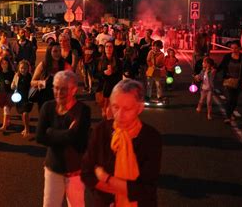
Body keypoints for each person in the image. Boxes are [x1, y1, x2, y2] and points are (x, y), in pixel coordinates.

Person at [81, 79, 162, 207]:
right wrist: (120, 191)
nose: (119, 115)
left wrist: (106, 178)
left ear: (140, 108)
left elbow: (145, 189)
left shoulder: (151, 138)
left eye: (127, 109)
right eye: (115, 107)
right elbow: (86, 173)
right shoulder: (101, 130)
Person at [36, 70, 91, 207]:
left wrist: (51, 132)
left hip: (75, 171)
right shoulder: (47, 107)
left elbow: (79, 141)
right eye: (56, 88)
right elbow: (40, 137)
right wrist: (68, 133)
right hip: (53, 168)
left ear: (74, 90)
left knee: (76, 204)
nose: (59, 93)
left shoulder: (83, 110)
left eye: (64, 89)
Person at [31, 42, 71, 112]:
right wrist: (43, 83)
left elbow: (71, 82)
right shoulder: (43, 65)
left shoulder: (65, 65)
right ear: (49, 52)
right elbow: (32, 82)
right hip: (44, 100)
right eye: (55, 51)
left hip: (60, 100)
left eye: (59, 51)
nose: (58, 53)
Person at [217, 42, 242, 123]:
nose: (234, 49)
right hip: (228, 80)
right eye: (232, 48)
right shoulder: (227, 57)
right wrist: (215, 70)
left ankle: (230, 112)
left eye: (235, 48)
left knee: (235, 100)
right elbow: (222, 66)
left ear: (239, 48)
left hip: (239, 81)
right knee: (230, 98)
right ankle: (228, 116)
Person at [97, 41, 122, 119]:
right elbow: (95, 74)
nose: (108, 48)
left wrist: (112, 73)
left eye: (110, 46)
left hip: (113, 88)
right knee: (104, 112)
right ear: (104, 48)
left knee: (110, 113)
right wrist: (104, 73)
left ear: (113, 48)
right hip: (103, 89)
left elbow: (120, 76)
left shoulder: (118, 61)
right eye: (106, 46)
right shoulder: (99, 60)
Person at [11, 60, 34, 138]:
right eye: (21, 68)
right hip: (19, 97)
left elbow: (33, 86)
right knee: (22, 113)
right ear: (19, 68)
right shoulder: (17, 75)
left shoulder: (30, 76)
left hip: (27, 98)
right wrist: (13, 86)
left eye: (25, 68)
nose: (23, 70)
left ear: (28, 69)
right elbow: (13, 84)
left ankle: (27, 130)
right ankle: (25, 127)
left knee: (25, 113)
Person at [0, 57, 15, 131]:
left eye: (5, 63)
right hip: (2, 92)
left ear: (8, 64)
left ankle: (4, 125)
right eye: (2, 63)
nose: (4, 65)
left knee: (6, 108)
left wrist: (10, 83)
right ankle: (8, 120)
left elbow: (14, 82)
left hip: (9, 92)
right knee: (6, 108)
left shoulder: (11, 73)